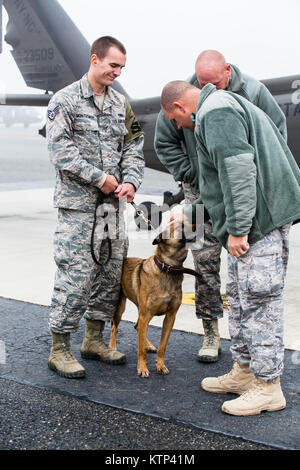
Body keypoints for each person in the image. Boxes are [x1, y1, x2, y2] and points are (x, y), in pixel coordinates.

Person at [160, 80, 300, 416]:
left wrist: (237, 230)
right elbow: (218, 182)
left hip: (257, 224)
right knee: (238, 297)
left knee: (259, 302)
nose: (181, 128)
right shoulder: (216, 107)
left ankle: (268, 388)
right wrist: (189, 214)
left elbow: (238, 173)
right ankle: (245, 372)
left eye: (177, 122)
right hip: (251, 221)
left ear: (180, 108)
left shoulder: (216, 113)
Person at [154, 50, 287, 363]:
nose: (208, 90)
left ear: (228, 71)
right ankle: (212, 332)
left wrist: (245, 216)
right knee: (205, 263)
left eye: (213, 83)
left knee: (251, 273)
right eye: (202, 84)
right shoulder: (184, 97)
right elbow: (164, 143)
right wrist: (193, 175)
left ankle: (258, 363)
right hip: (203, 189)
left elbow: (271, 140)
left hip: (242, 189)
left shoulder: (252, 93)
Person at [46, 36, 145, 379]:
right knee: (76, 275)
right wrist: (99, 178)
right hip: (79, 208)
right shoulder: (65, 101)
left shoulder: (122, 104)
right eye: (112, 65)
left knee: (109, 275)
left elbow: (134, 146)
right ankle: (60, 347)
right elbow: (60, 152)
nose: (117, 72)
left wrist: (130, 180)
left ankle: (94, 340)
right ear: (94, 59)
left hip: (113, 210)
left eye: (121, 67)